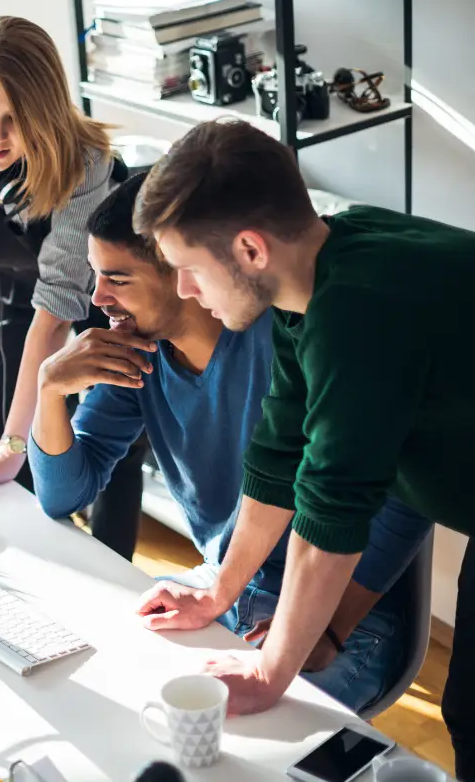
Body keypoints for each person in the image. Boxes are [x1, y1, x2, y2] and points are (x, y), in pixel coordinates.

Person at [134, 119, 475, 779]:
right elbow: (278, 457)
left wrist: (268, 673)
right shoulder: (318, 275)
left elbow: (330, 517)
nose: (183, 292)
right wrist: (218, 593)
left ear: (250, 250)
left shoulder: (359, 312)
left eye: (188, 269)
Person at [28, 173, 430, 714]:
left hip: (335, 615)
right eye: (96, 277)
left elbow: (409, 491)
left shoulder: (288, 338)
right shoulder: (134, 356)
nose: (98, 299)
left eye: (117, 280)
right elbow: (62, 496)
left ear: (182, 272)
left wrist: (327, 630)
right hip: (222, 588)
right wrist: (49, 388)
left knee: (232, 748)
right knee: (91, 685)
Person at [0, 16, 145, 559]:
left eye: (15, 119)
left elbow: (60, 304)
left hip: (94, 312)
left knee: (96, 453)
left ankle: (110, 579)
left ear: (46, 113)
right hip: (11, 303)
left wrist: (14, 448)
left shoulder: (87, 163)